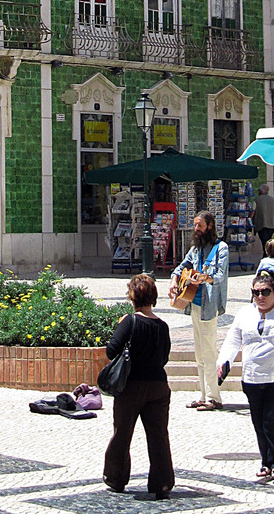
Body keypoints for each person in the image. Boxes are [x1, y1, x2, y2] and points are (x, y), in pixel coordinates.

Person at [102, 274, 174, 499]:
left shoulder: (130, 322)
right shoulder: (162, 326)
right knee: (159, 435)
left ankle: (116, 477)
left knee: (122, 433)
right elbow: (164, 357)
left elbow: (111, 351)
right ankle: (162, 482)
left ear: (133, 297)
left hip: (131, 386)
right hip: (158, 386)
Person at [217, 272, 274, 484]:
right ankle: (265, 462)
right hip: (252, 378)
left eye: (265, 292)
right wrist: (223, 362)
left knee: (273, 420)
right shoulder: (245, 313)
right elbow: (232, 340)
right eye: (256, 292)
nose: (260, 296)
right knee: (258, 421)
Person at [169, 210, 229, 411]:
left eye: (199, 225)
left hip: (209, 305)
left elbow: (220, 275)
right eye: (195, 225)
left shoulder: (221, 248)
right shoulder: (195, 250)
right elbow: (181, 267)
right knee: (199, 352)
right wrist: (174, 279)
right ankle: (202, 394)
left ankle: (214, 396)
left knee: (209, 350)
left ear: (210, 226)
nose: (196, 229)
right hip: (193, 302)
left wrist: (205, 278)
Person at [253, 185, 274, 256]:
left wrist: (249, 220)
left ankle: (266, 256)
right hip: (271, 225)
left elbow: (253, 212)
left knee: (264, 242)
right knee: (268, 240)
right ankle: (268, 255)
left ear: (261, 191)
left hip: (261, 225)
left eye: (259, 191)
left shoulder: (256, 200)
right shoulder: (273, 200)